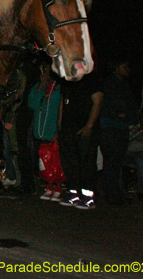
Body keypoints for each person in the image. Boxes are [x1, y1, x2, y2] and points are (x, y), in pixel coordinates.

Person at [58, 71, 102, 209]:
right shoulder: (68, 81)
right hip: (67, 129)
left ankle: (88, 197)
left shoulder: (91, 80)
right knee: (69, 162)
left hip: (83, 129)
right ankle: (73, 194)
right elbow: (62, 101)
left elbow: (97, 101)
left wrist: (89, 126)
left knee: (86, 162)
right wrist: (59, 123)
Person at [98, 57, 138, 205]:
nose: (127, 69)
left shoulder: (124, 84)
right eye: (124, 66)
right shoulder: (109, 83)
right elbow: (107, 105)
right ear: (116, 67)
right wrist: (119, 113)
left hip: (121, 127)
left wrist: (130, 117)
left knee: (117, 162)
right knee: (111, 162)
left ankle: (116, 192)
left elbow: (130, 106)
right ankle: (111, 195)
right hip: (110, 127)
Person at [28, 65, 64, 201]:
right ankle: (48, 186)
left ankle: (58, 187)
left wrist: (59, 128)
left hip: (53, 128)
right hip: (40, 129)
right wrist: (40, 86)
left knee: (56, 159)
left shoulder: (60, 88)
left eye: (48, 72)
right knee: (44, 160)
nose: (45, 74)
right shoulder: (40, 86)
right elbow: (32, 104)